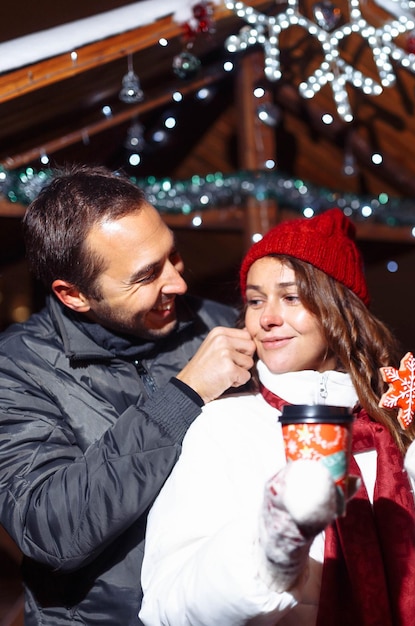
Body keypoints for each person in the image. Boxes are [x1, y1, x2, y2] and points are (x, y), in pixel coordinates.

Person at [139, 208, 415, 626]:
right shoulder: (221, 428)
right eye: (256, 300)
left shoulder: (411, 428)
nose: (266, 318)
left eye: (292, 297)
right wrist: (269, 554)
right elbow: (165, 607)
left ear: (340, 308)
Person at [0, 164, 256, 625]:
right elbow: (50, 532)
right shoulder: (16, 369)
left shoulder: (220, 325)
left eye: (173, 256)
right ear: (74, 294)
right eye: (146, 275)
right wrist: (184, 396)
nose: (178, 283)